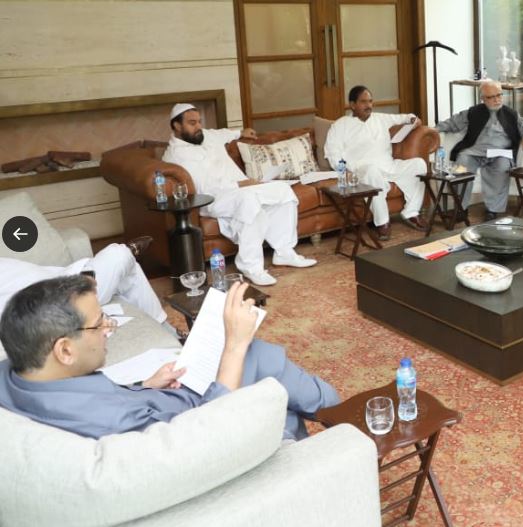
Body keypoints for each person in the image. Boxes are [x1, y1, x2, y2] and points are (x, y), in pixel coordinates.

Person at [0, 276, 339, 440]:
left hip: (166, 398)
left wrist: (144, 386)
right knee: (255, 355)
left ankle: (329, 414)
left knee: (262, 367)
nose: (109, 328)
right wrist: (234, 345)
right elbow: (207, 439)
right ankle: (339, 415)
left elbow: (99, 398)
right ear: (64, 350)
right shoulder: (112, 423)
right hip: (201, 416)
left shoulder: (13, 378)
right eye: (99, 322)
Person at [163, 103, 316, 287]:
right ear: (177, 125)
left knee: (283, 190)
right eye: (192, 123)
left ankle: (284, 252)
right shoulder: (176, 156)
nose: (198, 127)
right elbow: (204, 187)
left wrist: (241, 132)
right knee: (249, 201)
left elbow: (224, 134)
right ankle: (250, 266)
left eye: (199, 121)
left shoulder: (206, 135)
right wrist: (239, 184)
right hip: (213, 199)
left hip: (242, 189)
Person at [0, 242, 171, 339]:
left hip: (65, 278)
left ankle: (166, 331)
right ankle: (167, 331)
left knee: (127, 268)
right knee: (119, 254)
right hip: (61, 298)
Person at [324, 85, 429, 241]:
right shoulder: (340, 125)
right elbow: (333, 153)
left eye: (370, 101)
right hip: (362, 170)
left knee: (419, 164)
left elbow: (405, 117)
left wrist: (413, 119)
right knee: (372, 170)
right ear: (352, 105)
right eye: (363, 102)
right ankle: (383, 222)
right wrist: (344, 171)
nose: (369, 105)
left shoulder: (380, 118)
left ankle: (411, 212)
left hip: (388, 166)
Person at [436, 80, 523, 221]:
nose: (497, 100)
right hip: (474, 152)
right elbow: (452, 122)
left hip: (500, 153)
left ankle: (493, 210)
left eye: (499, 95)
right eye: (491, 97)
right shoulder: (473, 112)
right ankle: (461, 208)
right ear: (483, 99)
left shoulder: (511, 114)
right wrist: (433, 130)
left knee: (502, 166)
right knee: (462, 164)